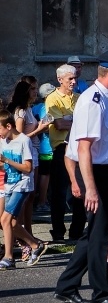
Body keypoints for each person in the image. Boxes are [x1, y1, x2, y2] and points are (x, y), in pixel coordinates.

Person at [54, 50, 108, 303]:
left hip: (107, 170)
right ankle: (102, 294)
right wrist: (90, 188)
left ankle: (66, 286)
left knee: (94, 234)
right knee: (100, 237)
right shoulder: (93, 100)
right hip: (95, 174)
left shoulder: (107, 99)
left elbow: (100, 141)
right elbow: (83, 148)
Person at [0, 110, 48, 269]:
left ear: (8, 126)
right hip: (10, 184)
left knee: (5, 219)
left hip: (22, 184)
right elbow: (5, 165)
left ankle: (8, 257)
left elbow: (28, 168)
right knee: (12, 223)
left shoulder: (23, 141)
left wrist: (6, 160)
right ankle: (35, 245)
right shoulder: (4, 141)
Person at [45, 64, 85, 243]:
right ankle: (58, 232)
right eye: (70, 79)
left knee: (79, 190)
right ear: (60, 80)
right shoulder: (53, 99)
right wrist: (77, 122)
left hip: (79, 148)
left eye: (75, 78)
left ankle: (76, 231)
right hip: (62, 148)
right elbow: (59, 124)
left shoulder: (80, 98)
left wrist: (70, 120)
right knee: (60, 192)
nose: (74, 81)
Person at [33, 83, 55, 212]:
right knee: (45, 175)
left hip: (42, 147)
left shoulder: (37, 107)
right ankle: (42, 202)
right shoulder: (47, 108)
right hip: (47, 148)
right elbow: (46, 127)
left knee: (43, 174)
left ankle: (42, 200)